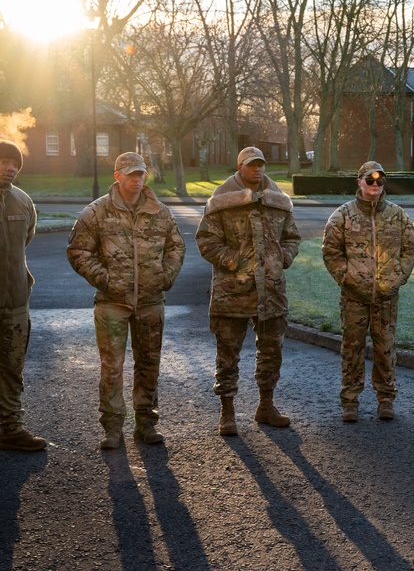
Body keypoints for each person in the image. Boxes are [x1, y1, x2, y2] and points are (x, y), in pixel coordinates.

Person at [67, 152, 186, 449]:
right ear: (117, 176)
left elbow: (176, 247)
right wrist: (105, 279)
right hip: (112, 303)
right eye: (131, 174)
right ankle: (112, 428)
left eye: (141, 174)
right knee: (112, 366)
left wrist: (164, 277)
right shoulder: (96, 212)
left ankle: (146, 423)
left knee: (149, 364)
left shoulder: (160, 212)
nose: (136, 179)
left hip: (151, 301)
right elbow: (78, 251)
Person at [196, 146, 301, 436]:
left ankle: (265, 406)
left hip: (271, 290)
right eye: (252, 165)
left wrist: (283, 258)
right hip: (232, 292)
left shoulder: (278, 202)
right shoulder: (222, 201)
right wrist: (234, 260)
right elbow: (206, 240)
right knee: (227, 354)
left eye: (261, 165)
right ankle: (227, 412)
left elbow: (292, 236)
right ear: (239, 167)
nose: (258, 170)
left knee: (271, 351)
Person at [322, 162, 414, 423]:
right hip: (354, 296)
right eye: (370, 179)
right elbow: (331, 252)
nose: (375, 185)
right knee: (352, 348)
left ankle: (386, 399)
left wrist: (399, 276)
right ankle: (350, 402)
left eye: (380, 181)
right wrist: (346, 276)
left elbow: (409, 249)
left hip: (386, 297)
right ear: (359, 181)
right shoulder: (342, 215)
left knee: (385, 348)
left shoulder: (397, 215)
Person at [0, 140, 47, 452]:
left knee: (12, 367)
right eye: (4, 162)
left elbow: (24, 241)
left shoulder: (22, 201)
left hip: (15, 302)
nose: (11, 168)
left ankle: (9, 427)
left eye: (15, 164)